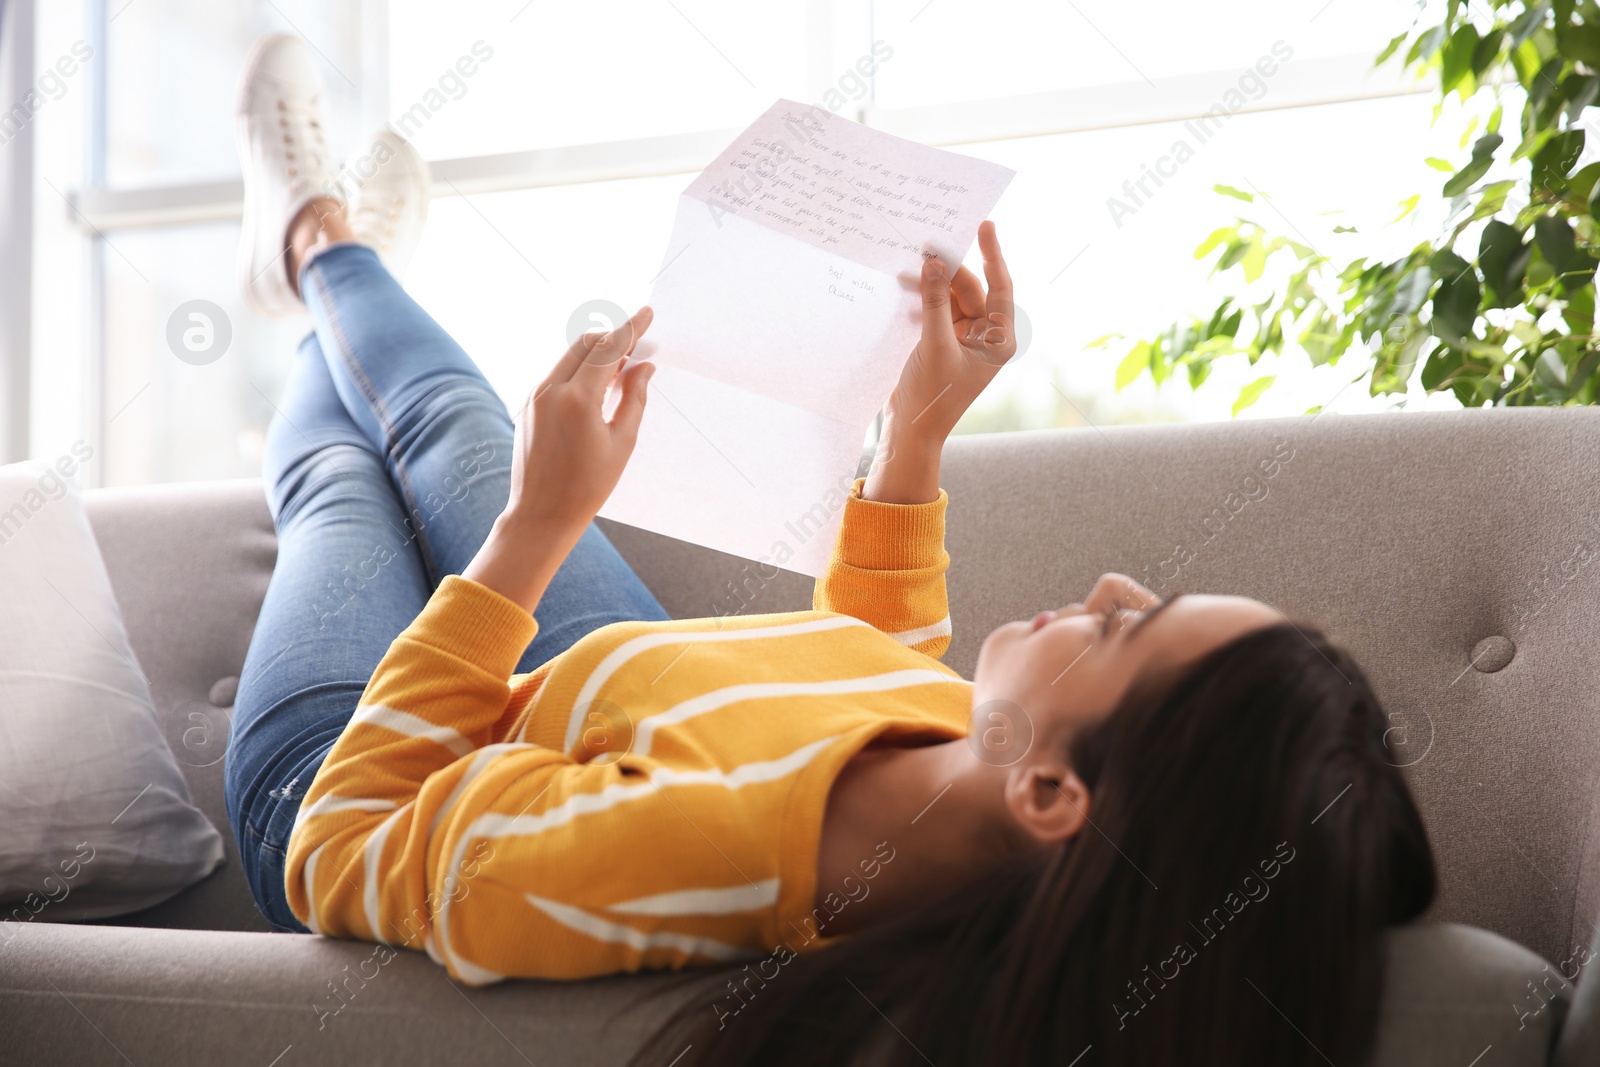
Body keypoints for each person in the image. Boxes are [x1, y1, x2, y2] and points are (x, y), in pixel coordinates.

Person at [224, 34, 1437, 1067]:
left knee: (350, 482)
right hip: (607, 695)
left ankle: (317, 245)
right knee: (452, 429)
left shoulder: (680, 852)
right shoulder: (977, 768)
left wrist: (534, 534)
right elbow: (864, 658)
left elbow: (350, 839)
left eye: (1131, 626)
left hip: (365, 766)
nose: (1114, 585)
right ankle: (327, 269)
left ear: (1055, 792)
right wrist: (912, 431)